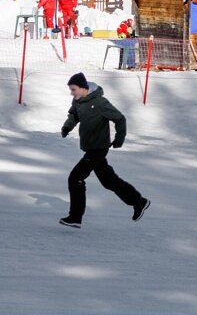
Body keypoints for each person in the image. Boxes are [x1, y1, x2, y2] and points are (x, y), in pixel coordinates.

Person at [59, 72, 150, 228]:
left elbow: (120, 118)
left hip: (99, 148)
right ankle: (139, 201)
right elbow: (74, 115)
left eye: (73, 89)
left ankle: (75, 217)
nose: (71, 93)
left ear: (83, 88)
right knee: (109, 181)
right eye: (71, 90)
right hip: (90, 148)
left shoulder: (100, 102)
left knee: (75, 178)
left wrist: (119, 139)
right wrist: (67, 127)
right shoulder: (78, 101)